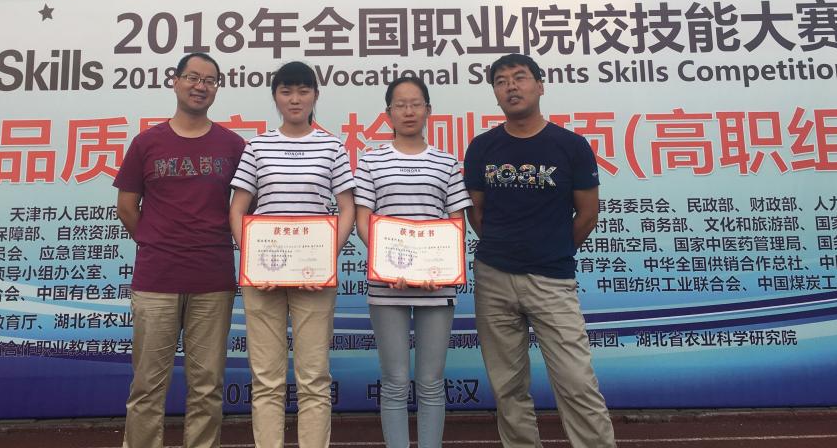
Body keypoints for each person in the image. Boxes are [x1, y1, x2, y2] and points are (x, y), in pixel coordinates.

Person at [464, 53, 615, 448]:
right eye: (501, 81)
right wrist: (506, 245)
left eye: (520, 77)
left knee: (576, 382)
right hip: (494, 278)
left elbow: (588, 213)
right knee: (508, 388)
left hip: (552, 279)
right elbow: (476, 212)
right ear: (495, 93)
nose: (511, 86)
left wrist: (552, 249)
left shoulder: (571, 146)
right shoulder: (482, 147)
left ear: (540, 85)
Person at [114, 52, 247, 448]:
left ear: (217, 88)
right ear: (175, 81)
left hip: (213, 280)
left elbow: (243, 208)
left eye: (209, 80)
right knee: (147, 387)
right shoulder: (146, 143)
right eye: (192, 77)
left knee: (207, 386)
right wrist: (155, 241)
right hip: (156, 281)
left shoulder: (233, 145)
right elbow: (127, 206)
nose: (200, 86)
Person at [229, 61, 356, 448]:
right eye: (286, 91)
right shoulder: (257, 146)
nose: (295, 99)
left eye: (303, 91)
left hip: (314, 278)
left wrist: (325, 258)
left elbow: (347, 208)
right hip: (263, 278)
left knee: (314, 378)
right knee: (266, 378)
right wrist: (253, 261)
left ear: (315, 95)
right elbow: (238, 209)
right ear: (275, 97)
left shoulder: (332, 146)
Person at [354, 76, 472, 448]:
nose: (408, 111)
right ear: (388, 113)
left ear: (428, 110)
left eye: (415, 103)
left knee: (431, 381)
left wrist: (441, 267)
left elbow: (456, 222)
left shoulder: (447, 162)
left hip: (437, 285)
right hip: (387, 284)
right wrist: (391, 266)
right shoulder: (371, 161)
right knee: (394, 380)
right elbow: (363, 220)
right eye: (400, 104)